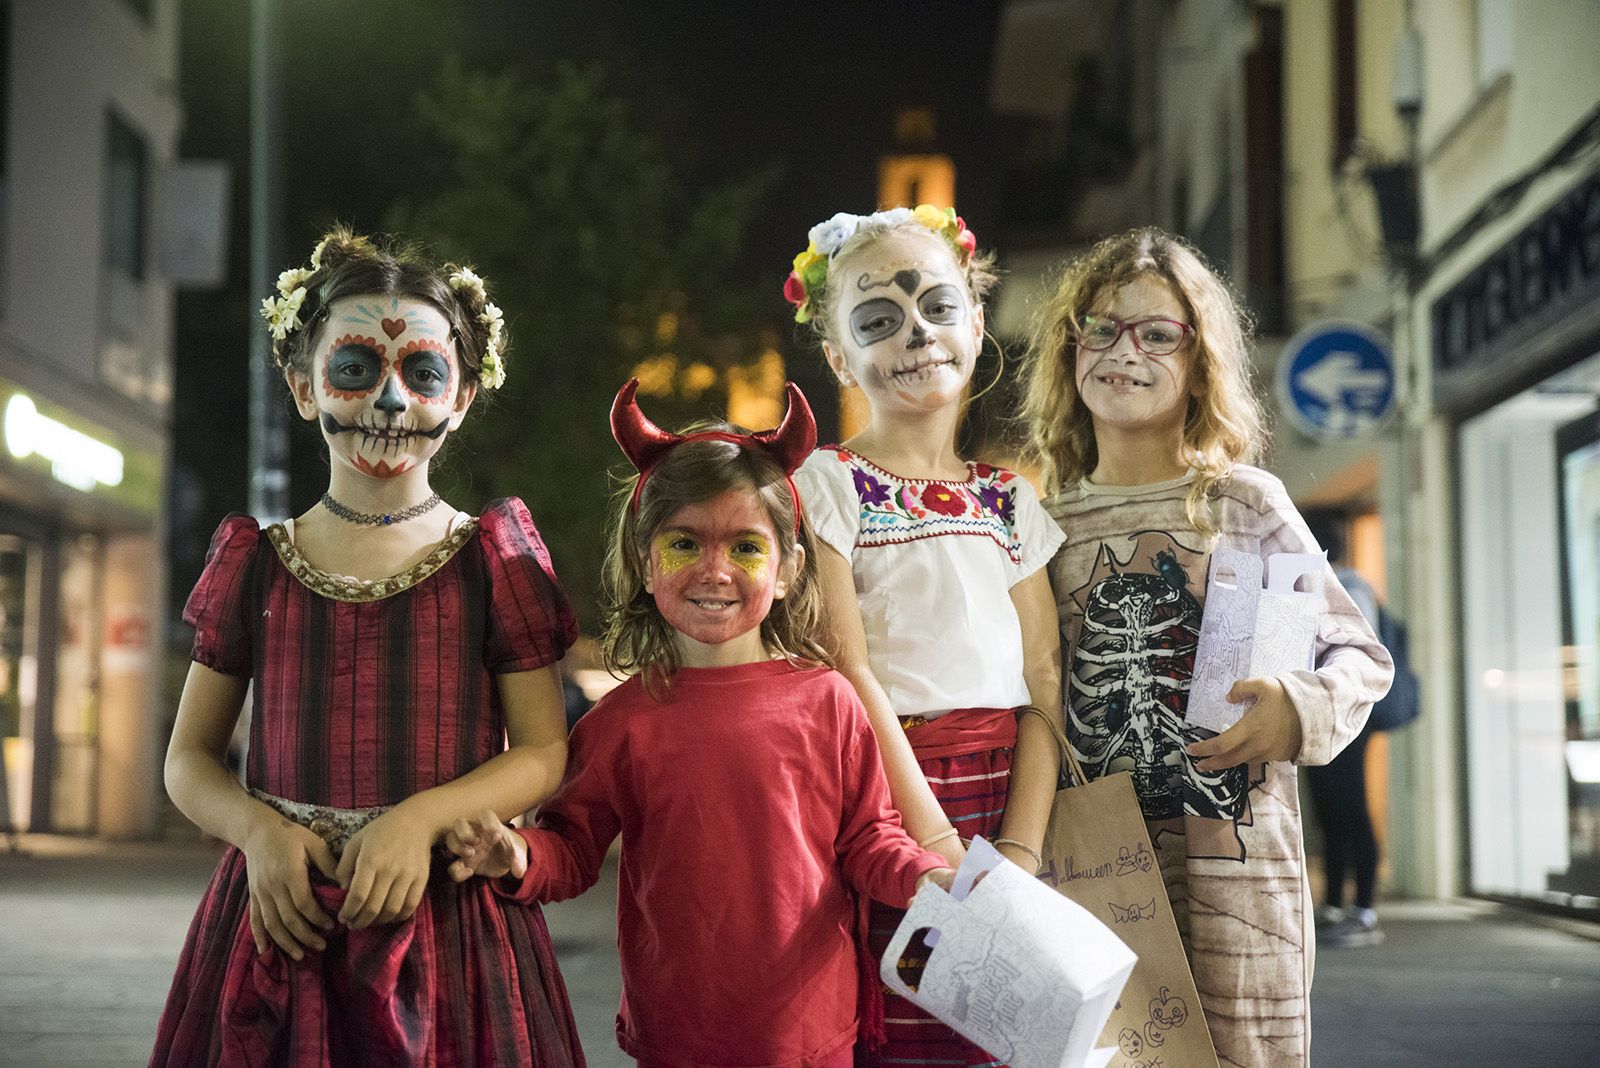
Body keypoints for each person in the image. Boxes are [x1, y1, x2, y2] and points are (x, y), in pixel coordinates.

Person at [152, 228, 583, 1067]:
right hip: (282, 915)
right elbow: (187, 760)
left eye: (422, 374)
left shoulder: (496, 560)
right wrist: (257, 834)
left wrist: (423, 819)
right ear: (303, 388)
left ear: (459, 399)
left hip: (449, 921)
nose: (389, 403)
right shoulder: (255, 561)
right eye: (356, 369)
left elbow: (542, 752)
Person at [446, 379, 954, 1068]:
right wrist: (517, 857)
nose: (714, 571)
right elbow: (571, 851)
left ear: (786, 571)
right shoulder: (622, 722)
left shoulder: (829, 701)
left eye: (745, 547)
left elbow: (869, 838)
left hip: (813, 1035)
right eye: (685, 544)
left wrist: (924, 877)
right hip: (676, 1038)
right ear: (643, 561)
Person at [1018, 227, 1393, 1068]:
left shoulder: (1246, 504)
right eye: (1102, 328)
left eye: (1158, 333)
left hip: (1242, 880)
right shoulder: (1041, 527)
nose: (1126, 351)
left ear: (1199, 363)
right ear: (1070, 348)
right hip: (1092, 878)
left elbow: (1359, 656)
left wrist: (1297, 709)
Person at [785, 205, 1065, 1066]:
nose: (917, 334)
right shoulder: (825, 484)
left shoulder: (1009, 497)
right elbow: (850, 669)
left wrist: (1018, 848)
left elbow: (1045, 674)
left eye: (937, 308)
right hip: (891, 804)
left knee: (1012, 1034)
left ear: (976, 325)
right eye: (878, 321)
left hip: (1019, 798)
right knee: (910, 1031)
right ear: (838, 356)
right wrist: (933, 843)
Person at [1301, 510, 1385, 948]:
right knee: (1330, 812)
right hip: (1317, 713)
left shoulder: (1350, 588)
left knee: (1351, 809)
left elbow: (1359, 655)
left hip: (1350, 715)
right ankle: (1334, 904)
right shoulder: (1314, 588)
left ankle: (1365, 909)